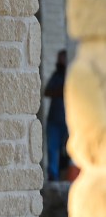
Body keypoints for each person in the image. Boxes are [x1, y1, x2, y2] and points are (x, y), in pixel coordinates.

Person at [44, 49, 69, 181]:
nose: (59, 61)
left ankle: (65, 176)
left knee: (67, 151)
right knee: (52, 150)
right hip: (54, 120)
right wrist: (60, 91)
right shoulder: (57, 76)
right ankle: (53, 177)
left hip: (69, 121)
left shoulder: (71, 75)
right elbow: (47, 92)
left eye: (61, 58)